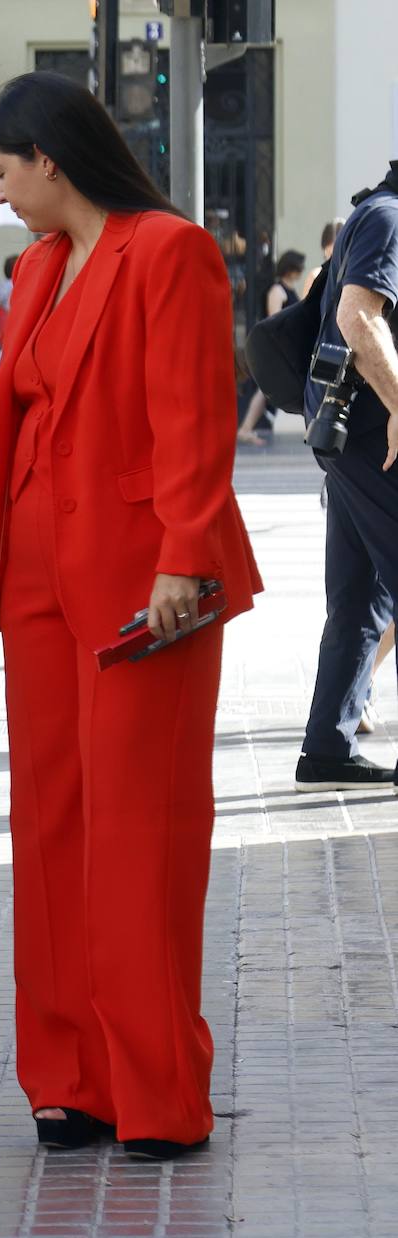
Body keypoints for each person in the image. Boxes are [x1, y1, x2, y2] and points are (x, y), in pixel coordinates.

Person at [0, 71, 262, 1160]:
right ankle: (70, 1079)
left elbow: (192, 417)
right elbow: (4, 430)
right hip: (44, 596)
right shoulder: (45, 267)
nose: (0, 190)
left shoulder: (169, 250)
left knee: (140, 837)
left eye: (5, 169)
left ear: (48, 159)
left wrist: (185, 559)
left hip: (144, 592)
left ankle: (158, 1090)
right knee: (56, 835)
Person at [294, 162, 398, 793]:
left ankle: (327, 747)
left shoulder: (371, 214)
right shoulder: (389, 218)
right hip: (370, 433)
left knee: (360, 591)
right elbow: (358, 320)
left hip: (345, 432)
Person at [237, 249, 306, 446]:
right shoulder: (277, 291)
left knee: (267, 390)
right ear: (291, 268)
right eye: (298, 267)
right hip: (278, 349)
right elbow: (274, 321)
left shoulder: (289, 289)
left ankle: (246, 428)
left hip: (287, 348)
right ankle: (246, 428)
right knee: (264, 390)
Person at [301, 217, 347, 299]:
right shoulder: (315, 276)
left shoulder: (354, 276)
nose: (334, 260)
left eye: (339, 254)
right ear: (325, 250)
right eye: (330, 254)